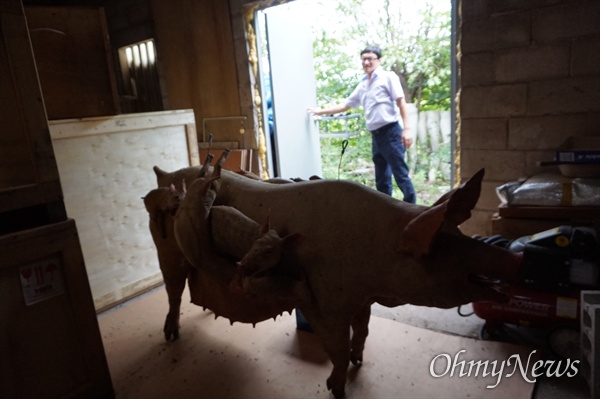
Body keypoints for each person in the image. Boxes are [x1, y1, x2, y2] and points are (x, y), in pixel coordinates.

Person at [309, 45, 416, 203]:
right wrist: (319, 111)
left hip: (391, 132)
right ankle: (386, 210)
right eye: (364, 59)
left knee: (400, 175)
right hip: (376, 136)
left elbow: (401, 102)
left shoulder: (388, 77)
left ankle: (413, 210)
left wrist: (407, 129)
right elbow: (345, 105)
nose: (367, 62)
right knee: (381, 178)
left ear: (379, 60)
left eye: (370, 58)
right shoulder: (363, 85)